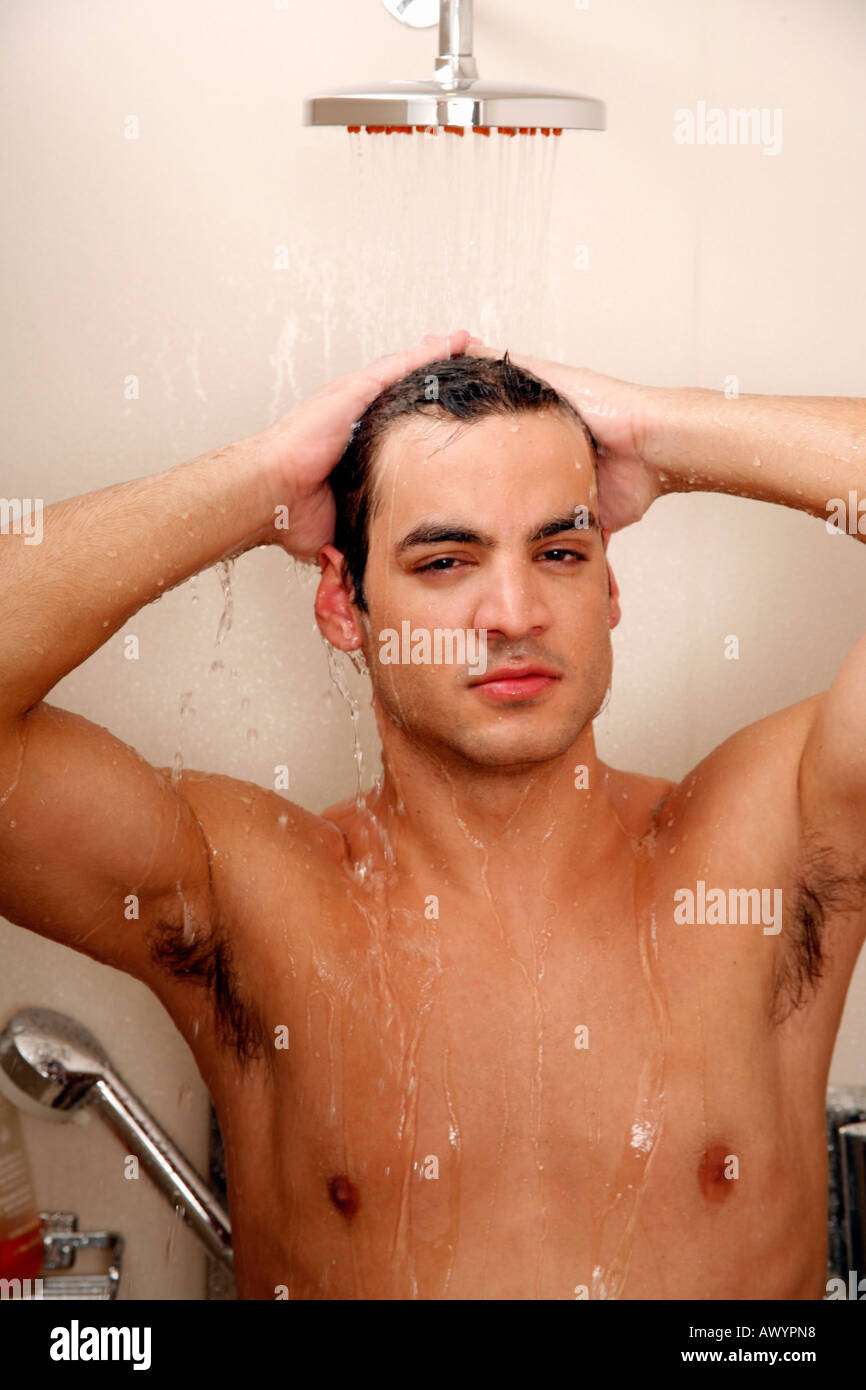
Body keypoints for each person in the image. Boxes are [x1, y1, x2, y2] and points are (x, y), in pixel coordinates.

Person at [1, 328, 864, 1299]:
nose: (514, 610)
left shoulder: (767, 848)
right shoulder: (253, 900)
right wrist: (262, 480)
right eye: (445, 560)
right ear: (342, 604)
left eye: (559, 549)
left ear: (609, 585)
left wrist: (661, 433)